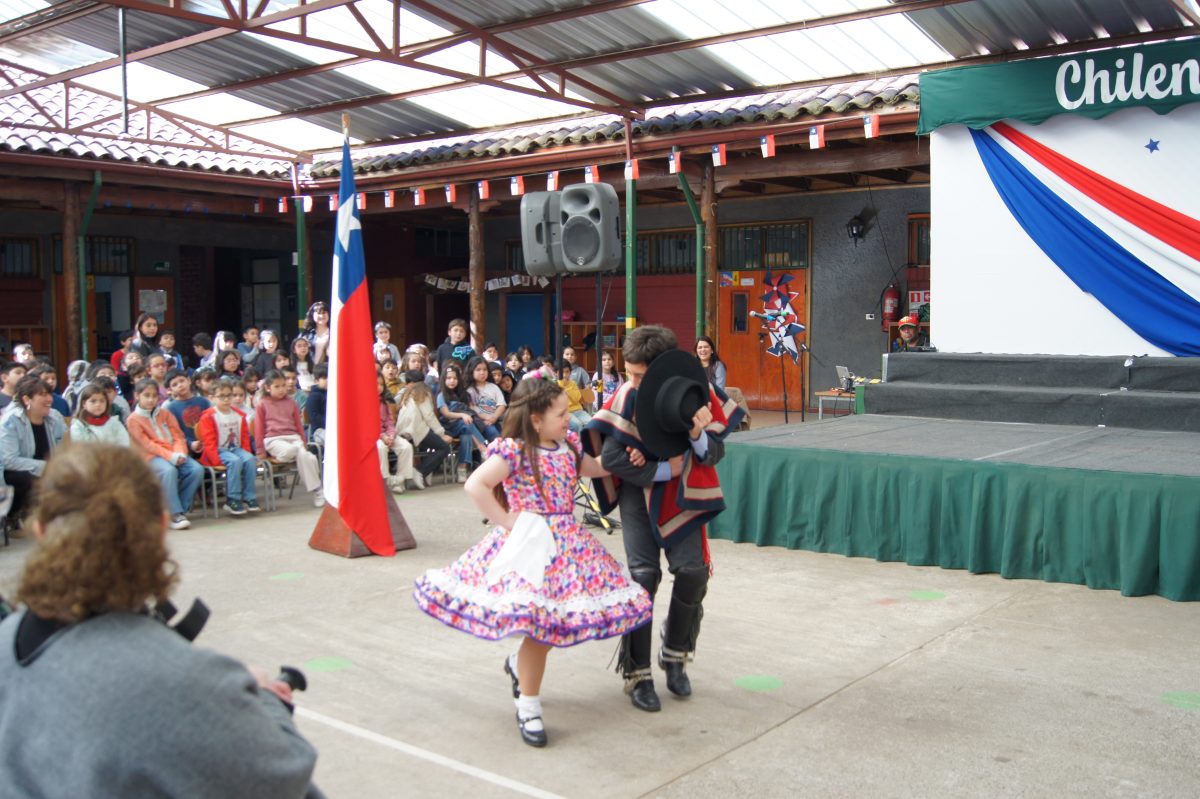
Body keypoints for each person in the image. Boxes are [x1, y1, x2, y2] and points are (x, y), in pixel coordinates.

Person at [0, 443, 323, 798]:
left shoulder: (9, 639)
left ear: (42, 530)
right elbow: (284, 774)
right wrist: (266, 700)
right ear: (161, 524)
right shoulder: (184, 680)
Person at [412, 379, 652, 747]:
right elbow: (475, 485)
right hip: (531, 546)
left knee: (550, 626)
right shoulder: (515, 450)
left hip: (568, 548)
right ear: (536, 420)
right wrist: (510, 523)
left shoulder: (567, 446)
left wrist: (625, 458)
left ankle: (518, 668)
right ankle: (529, 706)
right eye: (560, 414)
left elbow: (595, 467)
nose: (568, 420)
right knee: (540, 629)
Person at [584, 325, 743, 713]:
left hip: (685, 493)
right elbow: (613, 460)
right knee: (643, 577)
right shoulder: (625, 395)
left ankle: (675, 655)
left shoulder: (697, 392)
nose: (631, 381)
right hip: (638, 495)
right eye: (629, 372)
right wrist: (663, 469)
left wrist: (694, 434)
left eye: (639, 375)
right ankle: (636, 674)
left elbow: (713, 452)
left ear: (663, 372)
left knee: (692, 572)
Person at [126, 378, 203, 531]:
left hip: (174, 452)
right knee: (169, 471)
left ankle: (175, 508)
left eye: (154, 396)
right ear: (137, 396)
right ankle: (174, 514)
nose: (151, 399)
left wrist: (180, 453)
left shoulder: (165, 413)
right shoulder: (133, 420)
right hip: (150, 457)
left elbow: (178, 435)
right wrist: (170, 457)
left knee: (196, 470)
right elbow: (147, 444)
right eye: (146, 395)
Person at [0, 375, 66, 524]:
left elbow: (65, 447)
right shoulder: (11, 421)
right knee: (25, 479)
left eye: (49, 394)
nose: (49, 399)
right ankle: (13, 516)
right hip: (16, 472)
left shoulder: (55, 418)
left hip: (49, 468)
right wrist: (44, 467)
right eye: (42, 395)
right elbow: (9, 460)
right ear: (27, 399)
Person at [255, 370, 323, 507]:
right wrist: (260, 450)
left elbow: (298, 425)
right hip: (273, 440)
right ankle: (318, 489)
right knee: (297, 452)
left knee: (307, 457)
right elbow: (259, 429)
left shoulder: (291, 403)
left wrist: (303, 442)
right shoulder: (262, 404)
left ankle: (318, 491)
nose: (281, 389)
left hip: (293, 438)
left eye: (283, 386)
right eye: (277, 387)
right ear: (268, 388)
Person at [198, 378, 261, 515]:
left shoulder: (239, 415)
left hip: (236, 448)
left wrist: (246, 453)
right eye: (222, 396)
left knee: (250, 459)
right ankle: (232, 498)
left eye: (229, 395)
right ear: (212, 398)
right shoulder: (208, 416)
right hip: (219, 450)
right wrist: (215, 460)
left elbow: (244, 437)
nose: (226, 399)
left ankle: (249, 496)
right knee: (234, 461)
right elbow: (208, 442)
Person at [394, 375, 451, 487]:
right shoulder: (423, 394)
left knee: (428, 445)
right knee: (444, 447)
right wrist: (441, 433)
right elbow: (429, 416)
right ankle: (420, 472)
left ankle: (422, 474)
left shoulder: (408, 395)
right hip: (416, 430)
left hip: (403, 431)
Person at [436, 362, 486, 483]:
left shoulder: (462, 395)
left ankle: (462, 468)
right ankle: (482, 448)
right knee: (466, 424)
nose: (452, 381)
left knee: (466, 435)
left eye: (454, 378)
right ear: (443, 379)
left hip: (463, 427)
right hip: (448, 427)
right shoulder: (441, 395)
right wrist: (462, 415)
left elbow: (471, 410)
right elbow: (446, 413)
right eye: (448, 378)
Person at [376, 374, 416, 493]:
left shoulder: (384, 402)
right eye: (376, 384)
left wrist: (391, 435)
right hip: (373, 436)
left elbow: (389, 421)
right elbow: (367, 425)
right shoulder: (363, 403)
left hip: (387, 434)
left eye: (381, 384)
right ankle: (385, 479)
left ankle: (400, 480)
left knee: (406, 447)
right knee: (381, 448)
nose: (379, 387)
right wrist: (382, 436)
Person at [164, 369, 211, 459]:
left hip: (208, 444)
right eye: (175, 384)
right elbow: (176, 433)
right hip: (187, 449)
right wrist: (190, 443)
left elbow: (211, 423)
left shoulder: (203, 401)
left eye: (182, 381)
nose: (180, 385)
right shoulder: (171, 408)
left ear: (189, 381)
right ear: (170, 390)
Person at [68, 382, 131, 446]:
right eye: (93, 401)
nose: (98, 405)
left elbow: (124, 444)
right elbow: (80, 448)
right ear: (84, 404)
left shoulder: (114, 423)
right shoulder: (79, 425)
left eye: (102, 401)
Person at [466, 355, 505, 442]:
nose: (482, 372)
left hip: (494, 420)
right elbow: (472, 409)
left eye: (485, 369)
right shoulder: (469, 390)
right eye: (478, 370)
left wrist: (494, 417)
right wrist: (487, 418)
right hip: (479, 422)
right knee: (494, 434)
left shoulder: (493, 387)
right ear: (471, 371)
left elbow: (501, 405)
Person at [556, 359, 591, 433]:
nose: (565, 375)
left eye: (567, 372)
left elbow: (576, 399)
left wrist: (566, 389)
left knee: (591, 422)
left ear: (570, 372)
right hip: (566, 412)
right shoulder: (555, 384)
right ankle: (578, 444)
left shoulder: (573, 383)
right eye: (562, 372)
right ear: (556, 373)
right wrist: (562, 385)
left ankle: (588, 443)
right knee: (578, 425)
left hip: (578, 410)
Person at [305, 365, 327, 444]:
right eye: (324, 378)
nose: (328, 380)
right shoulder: (314, 396)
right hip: (319, 430)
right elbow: (314, 417)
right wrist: (330, 423)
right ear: (316, 381)